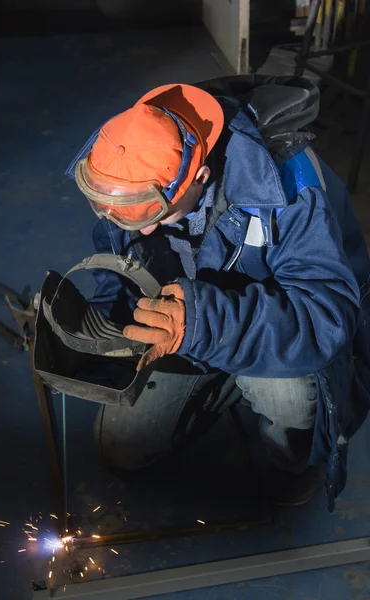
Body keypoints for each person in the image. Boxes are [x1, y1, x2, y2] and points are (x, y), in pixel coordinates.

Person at [68, 76, 370, 509]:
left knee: (286, 394)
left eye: (155, 213)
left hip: (280, 332)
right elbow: (118, 263)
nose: (144, 228)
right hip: (195, 325)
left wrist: (205, 324)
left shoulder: (291, 185)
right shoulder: (132, 169)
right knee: (123, 449)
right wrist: (109, 333)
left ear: (201, 176)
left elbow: (326, 318)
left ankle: (293, 461)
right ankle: (219, 380)